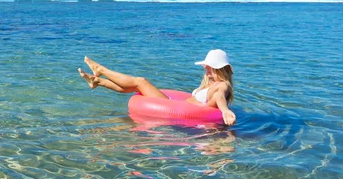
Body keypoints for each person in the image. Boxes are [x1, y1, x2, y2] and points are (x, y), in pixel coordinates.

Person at [78, 49, 236, 126]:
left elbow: (220, 97)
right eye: (206, 66)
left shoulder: (222, 85)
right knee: (137, 87)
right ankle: (98, 82)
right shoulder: (211, 83)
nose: (206, 69)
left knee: (140, 81)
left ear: (220, 68)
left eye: (210, 67)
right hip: (176, 103)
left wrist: (225, 110)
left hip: (180, 109)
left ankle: (101, 71)